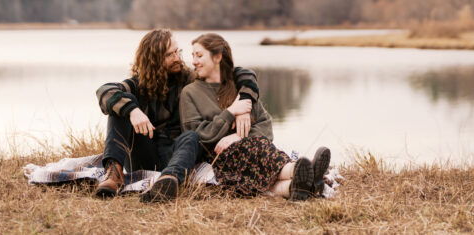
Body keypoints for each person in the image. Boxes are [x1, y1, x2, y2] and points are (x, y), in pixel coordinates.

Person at [94, 28, 261, 202]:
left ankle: (168, 182)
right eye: (169, 55)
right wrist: (133, 110)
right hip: (144, 155)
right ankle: (114, 174)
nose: (177, 58)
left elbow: (242, 74)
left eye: (177, 52)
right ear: (154, 60)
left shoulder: (189, 79)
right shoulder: (138, 85)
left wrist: (245, 106)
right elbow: (104, 91)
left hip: (178, 156)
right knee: (120, 105)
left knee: (192, 136)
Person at [180, 32, 330, 200]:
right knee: (257, 147)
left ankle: (297, 187)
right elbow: (196, 134)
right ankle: (301, 171)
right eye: (193, 56)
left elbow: (265, 124)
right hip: (219, 158)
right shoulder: (190, 92)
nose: (193, 61)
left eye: (199, 55)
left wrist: (238, 136)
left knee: (257, 145)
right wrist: (230, 113)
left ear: (217, 57)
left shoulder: (242, 88)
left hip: (252, 150)